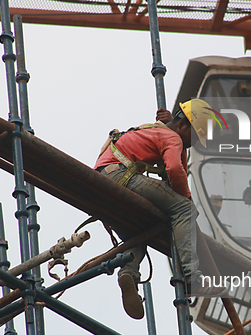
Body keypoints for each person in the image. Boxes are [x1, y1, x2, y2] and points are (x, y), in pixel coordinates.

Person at [94, 99, 225, 320]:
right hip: (120, 175)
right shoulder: (172, 137)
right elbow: (174, 169)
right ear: (184, 125)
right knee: (184, 209)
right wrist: (187, 199)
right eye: (194, 139)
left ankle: (128, 273)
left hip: (103, 180)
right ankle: (193, 276)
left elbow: (172, 166)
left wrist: (171, 122)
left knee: (138, 233)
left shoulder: (159, 131)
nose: (193, 145)